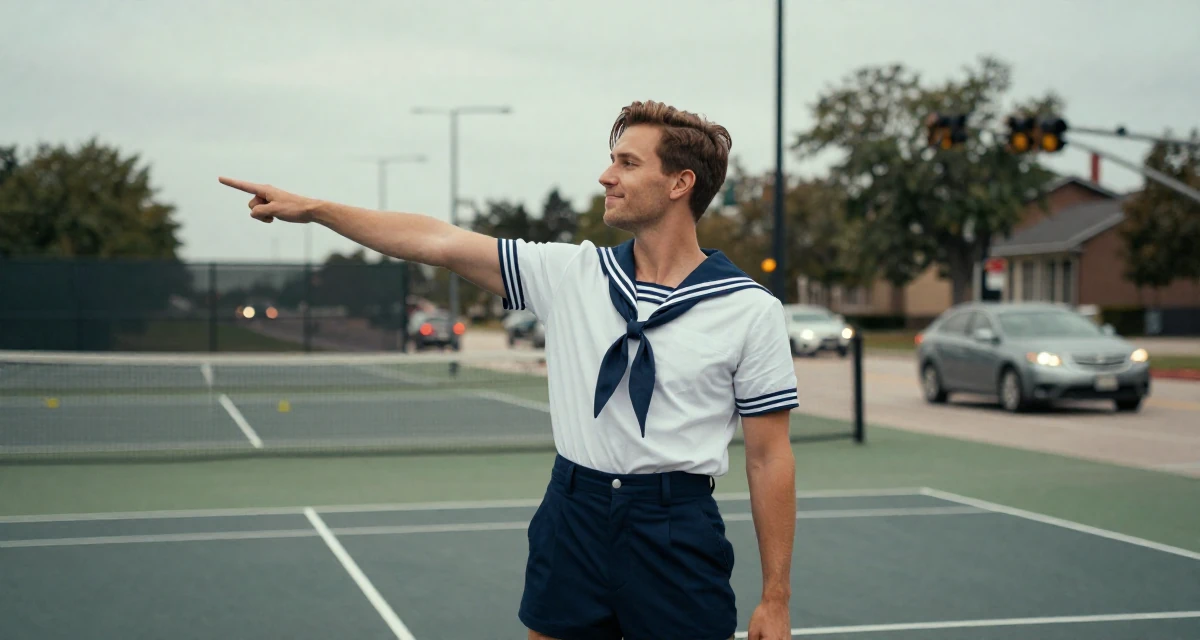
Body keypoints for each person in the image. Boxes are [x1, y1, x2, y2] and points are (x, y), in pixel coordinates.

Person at [220, 100, 797, 640]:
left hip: (676, 526)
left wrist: (776, 596)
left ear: (680, 183)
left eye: (626, 162)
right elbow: (436, 241)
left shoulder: (750, 310)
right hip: (574, 512)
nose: (605, 176)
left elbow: (769, 457)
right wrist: (318, 211)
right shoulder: (569, 272)